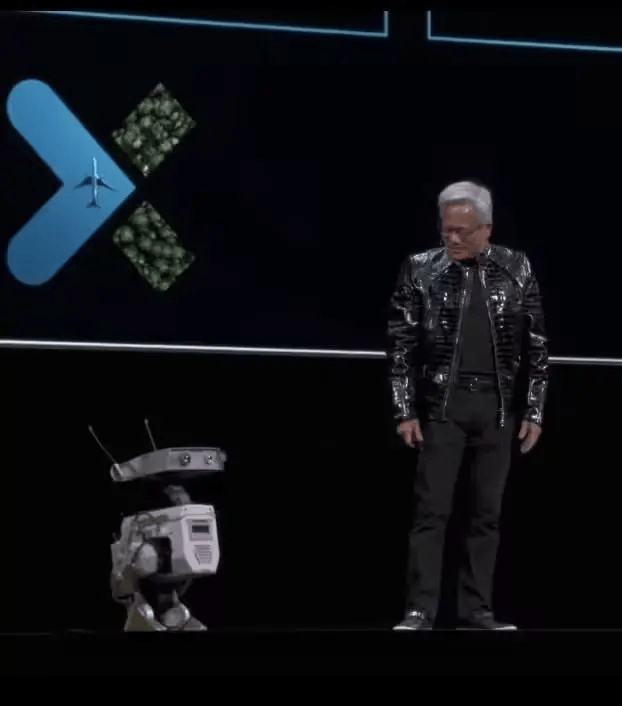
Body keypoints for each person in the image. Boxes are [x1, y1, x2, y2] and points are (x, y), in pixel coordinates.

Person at [387, 180, 548, 630]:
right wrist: (404, 409)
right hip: (443, 407)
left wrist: (534, 410)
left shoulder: (516, 267)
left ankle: (477, 611)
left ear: (486, 229)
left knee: (486, 515)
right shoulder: (420, 268)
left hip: (497, 410)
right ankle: (419, 610)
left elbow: (537, 344)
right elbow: (400, 344)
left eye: (463, 230)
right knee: (431, 513)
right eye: (447, 230)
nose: (453, 238)